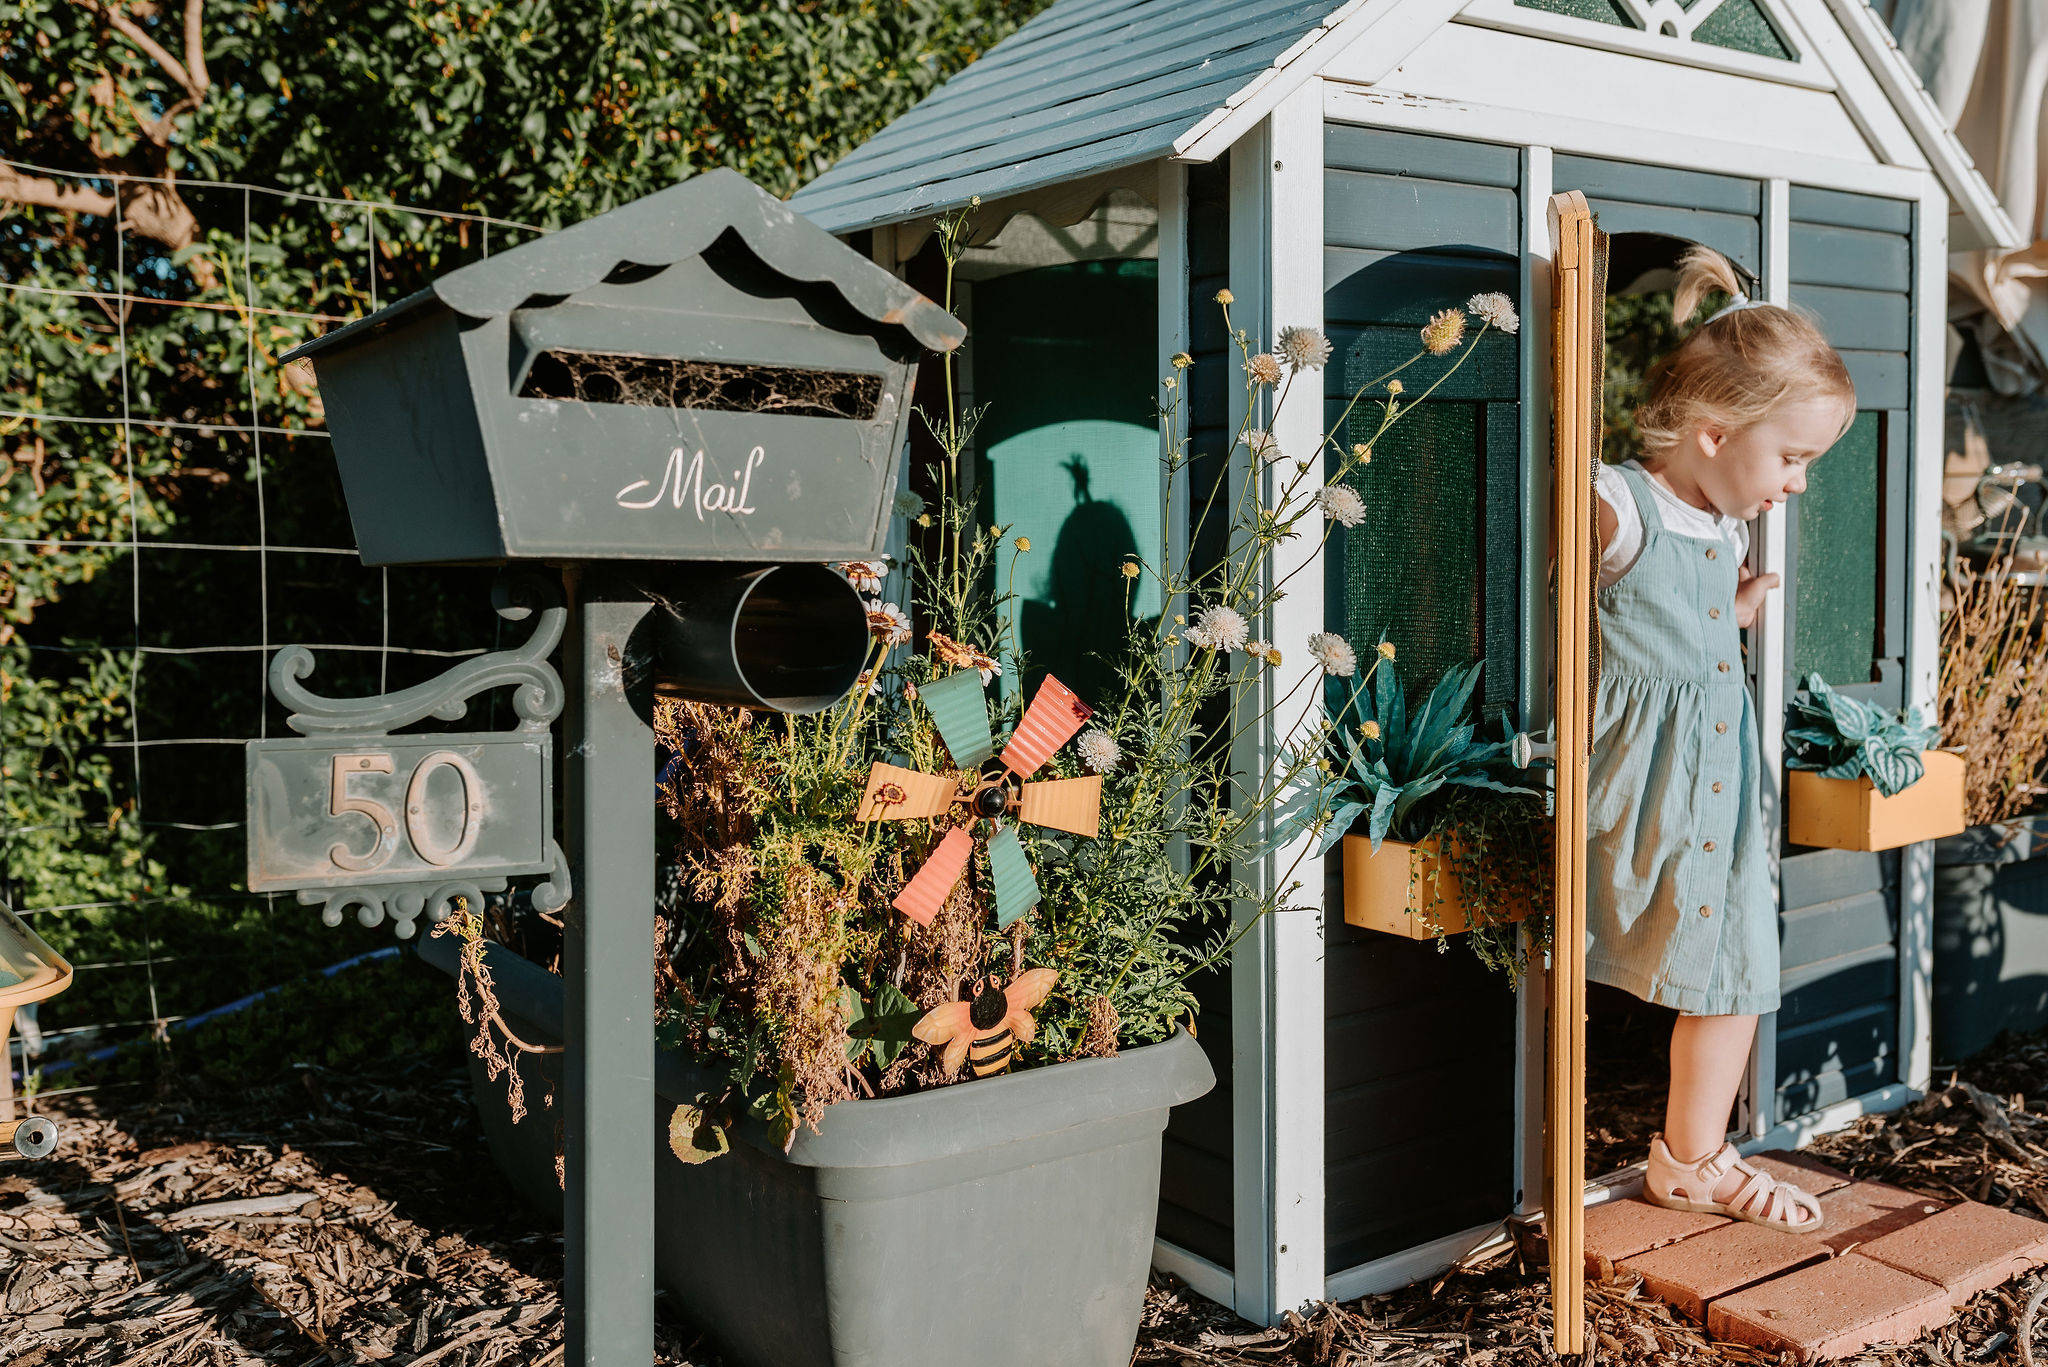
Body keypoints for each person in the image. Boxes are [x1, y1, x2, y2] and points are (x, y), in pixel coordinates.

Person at [1588, 246, 1855, 1231]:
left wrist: (1729, 615)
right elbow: (1569, 540)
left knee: (1737, 963)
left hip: (1716, 781)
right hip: (1645, 782)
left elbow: (1671, 625)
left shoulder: (1715, 522)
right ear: (1709, 432)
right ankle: (1691, 1155)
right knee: (1697, 957)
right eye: (1788, 458)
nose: (1793, 483)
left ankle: (1692, 1153)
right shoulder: (1617, 506)